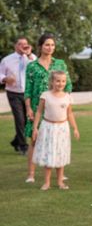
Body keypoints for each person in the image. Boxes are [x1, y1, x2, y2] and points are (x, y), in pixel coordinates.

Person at [24, 33, 72, 184]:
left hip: (56, 108)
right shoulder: (32, 66)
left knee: (57, 141)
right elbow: (28, 90)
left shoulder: (60, 64)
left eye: (52, 45)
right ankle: (31, 174)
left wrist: (65, 100)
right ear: (40, 47)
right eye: (47, 45)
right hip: (37, 107)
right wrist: (28, 108)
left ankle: (58, 173)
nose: (50, 48)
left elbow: (68, 84)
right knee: (34, 140)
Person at [31, 71, 80, 190]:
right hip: (48, 128)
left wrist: (75, 128)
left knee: (60, 154)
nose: (60, 83)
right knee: (49, 154)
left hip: (62, 129)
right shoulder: (45, 95)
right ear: (52, 81)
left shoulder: (67, 97)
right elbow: (39, 112)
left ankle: (60, 182)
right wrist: (35, 128)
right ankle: (46, 182)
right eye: (57, 81)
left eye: (63, 81)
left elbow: (70, 114)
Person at [0, 37, 36, 154]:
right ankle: (23, 146)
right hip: (13, 93)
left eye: (25, 44)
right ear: (15, 46)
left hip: (28, 94)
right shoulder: (7, 60)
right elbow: (0, 73)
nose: (23, 46)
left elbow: (36, 67)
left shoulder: (32, 58)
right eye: (20, 44)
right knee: (19, 119)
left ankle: (16, 141)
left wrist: (29, 54)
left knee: (26, 121)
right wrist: (5, 78)